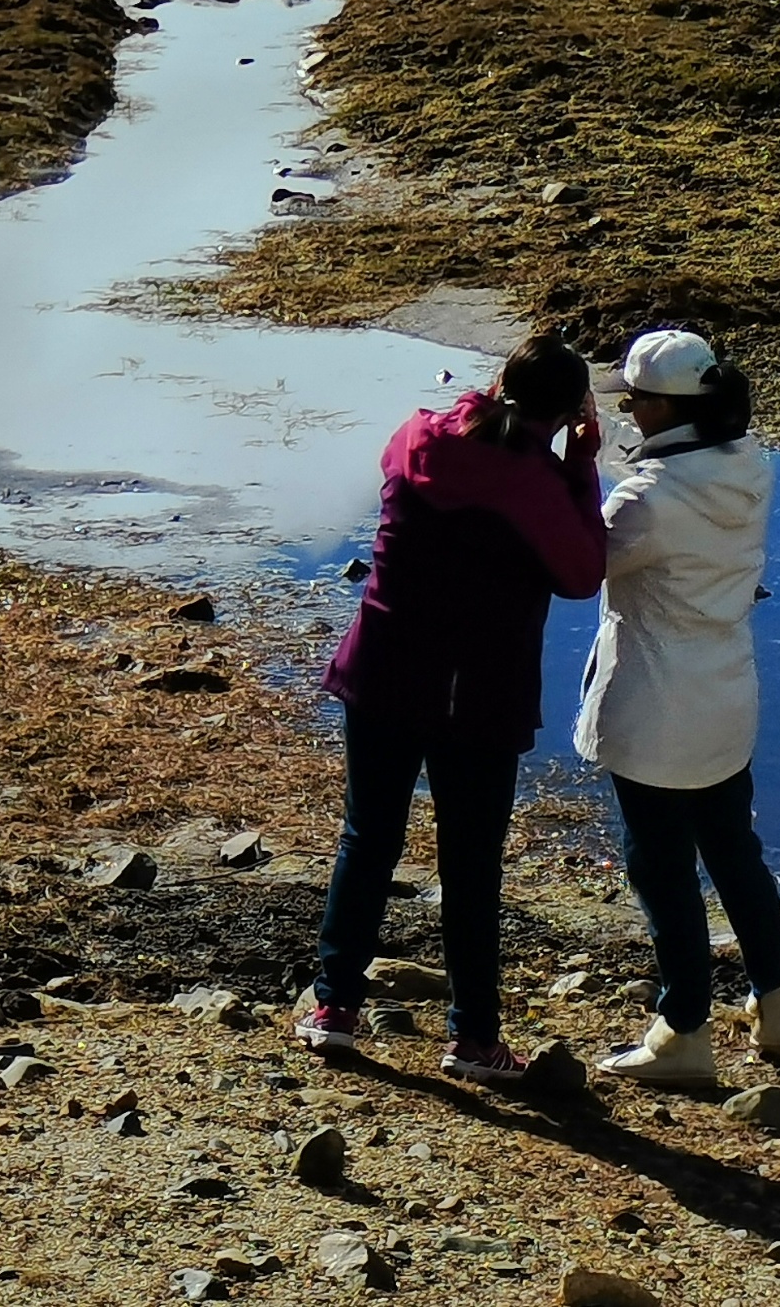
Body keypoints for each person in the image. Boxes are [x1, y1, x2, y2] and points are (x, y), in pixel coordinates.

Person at [302, 330, 606, 1079]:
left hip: (381, 668)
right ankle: (472, 1037)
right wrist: (582, 466)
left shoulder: (414, 435)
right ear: (568, 412)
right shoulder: (536, 479)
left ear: (500, 379)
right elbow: (580, 574)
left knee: (366, 839)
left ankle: (332, 1007)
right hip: (479, 692)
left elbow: (410, 465)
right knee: (470, 866)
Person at [576, 326, 780, 1083]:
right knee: (730, 848)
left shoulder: (646, 501)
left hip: (653, 698)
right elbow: (668, 470)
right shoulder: (748, 465)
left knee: (660, 866)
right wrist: (611, 448)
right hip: (724, 688)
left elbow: (579, 561)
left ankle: (682, 1031)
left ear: (660, 406)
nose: (628, 412)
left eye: (633, 401)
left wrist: (571, 470)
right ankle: (778, 1003)